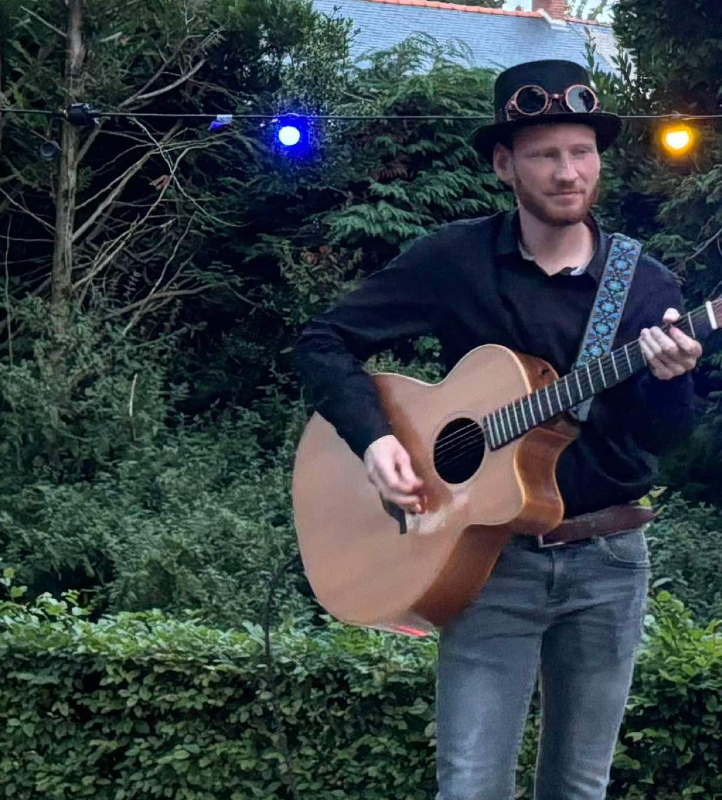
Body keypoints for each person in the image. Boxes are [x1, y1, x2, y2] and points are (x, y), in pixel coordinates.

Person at [290, 59, 699, 800]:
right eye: (546, 155)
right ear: (505, 164)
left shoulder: (645, 285)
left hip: (606, 560)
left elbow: (666, 438)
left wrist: (671, 380)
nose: (569, 172)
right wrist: (377, 441)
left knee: (578, 788)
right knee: (471, 789)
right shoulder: (455, 261)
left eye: (583, 152)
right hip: (486, 560)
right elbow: (322, 341)